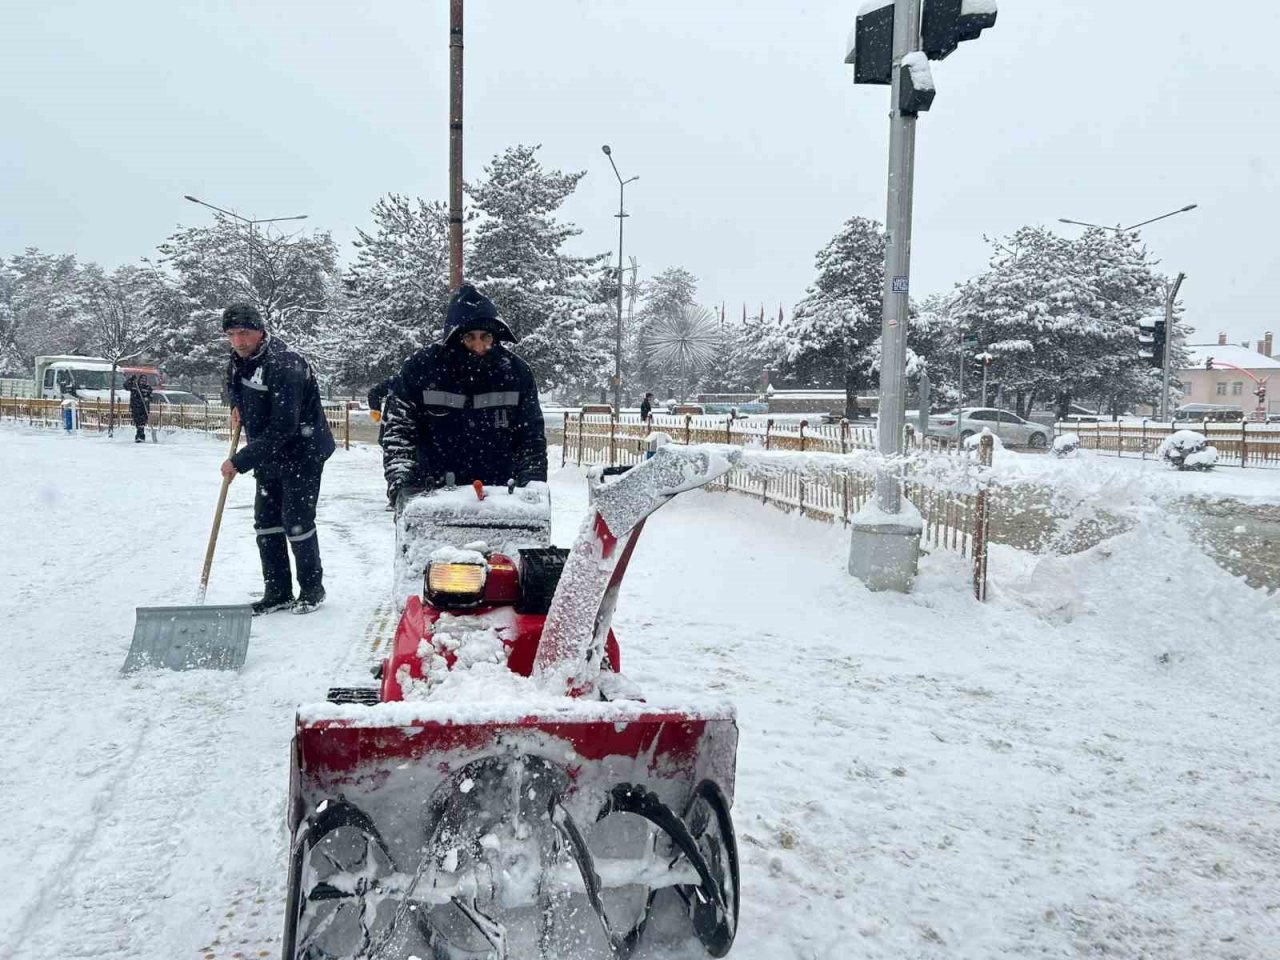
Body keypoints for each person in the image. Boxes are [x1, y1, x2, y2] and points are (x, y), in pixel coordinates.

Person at [220, 303, 335, 615]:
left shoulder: (285, 364)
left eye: (244, 333)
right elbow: (237, 386)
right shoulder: (239, 360)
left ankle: (312, 589)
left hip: (303, 451)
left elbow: (285, 425)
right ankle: (278, 591)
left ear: (260, 331)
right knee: (266, 523)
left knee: (296, 521)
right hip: (269, 452)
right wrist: (237, 405)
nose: (239, 341)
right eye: (232, 335)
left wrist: (240, 461)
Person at [382, 283, 546, 501]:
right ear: (455, 337)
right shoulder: (421, 370)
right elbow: (399, 432)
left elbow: (530, 438)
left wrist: (532, 486)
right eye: (470, 337)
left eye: (485, 337)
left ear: (495, 336)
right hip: (432, 495)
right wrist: (403, 484)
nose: (479, 346)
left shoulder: (516, 374)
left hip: (499, 497)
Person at [124, 373, 153, 442]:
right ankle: (140, 436)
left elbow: (151, 397)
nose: (143, 381)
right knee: (138, 422)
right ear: (139, 380)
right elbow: (126, 386)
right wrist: (130, 379)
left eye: (144, 380)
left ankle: (140, 436)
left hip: (144, 408)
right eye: (142, 380)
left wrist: (147, 398)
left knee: (142, 423)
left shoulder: (148, 388)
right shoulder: (135, 386)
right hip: (135, 407)